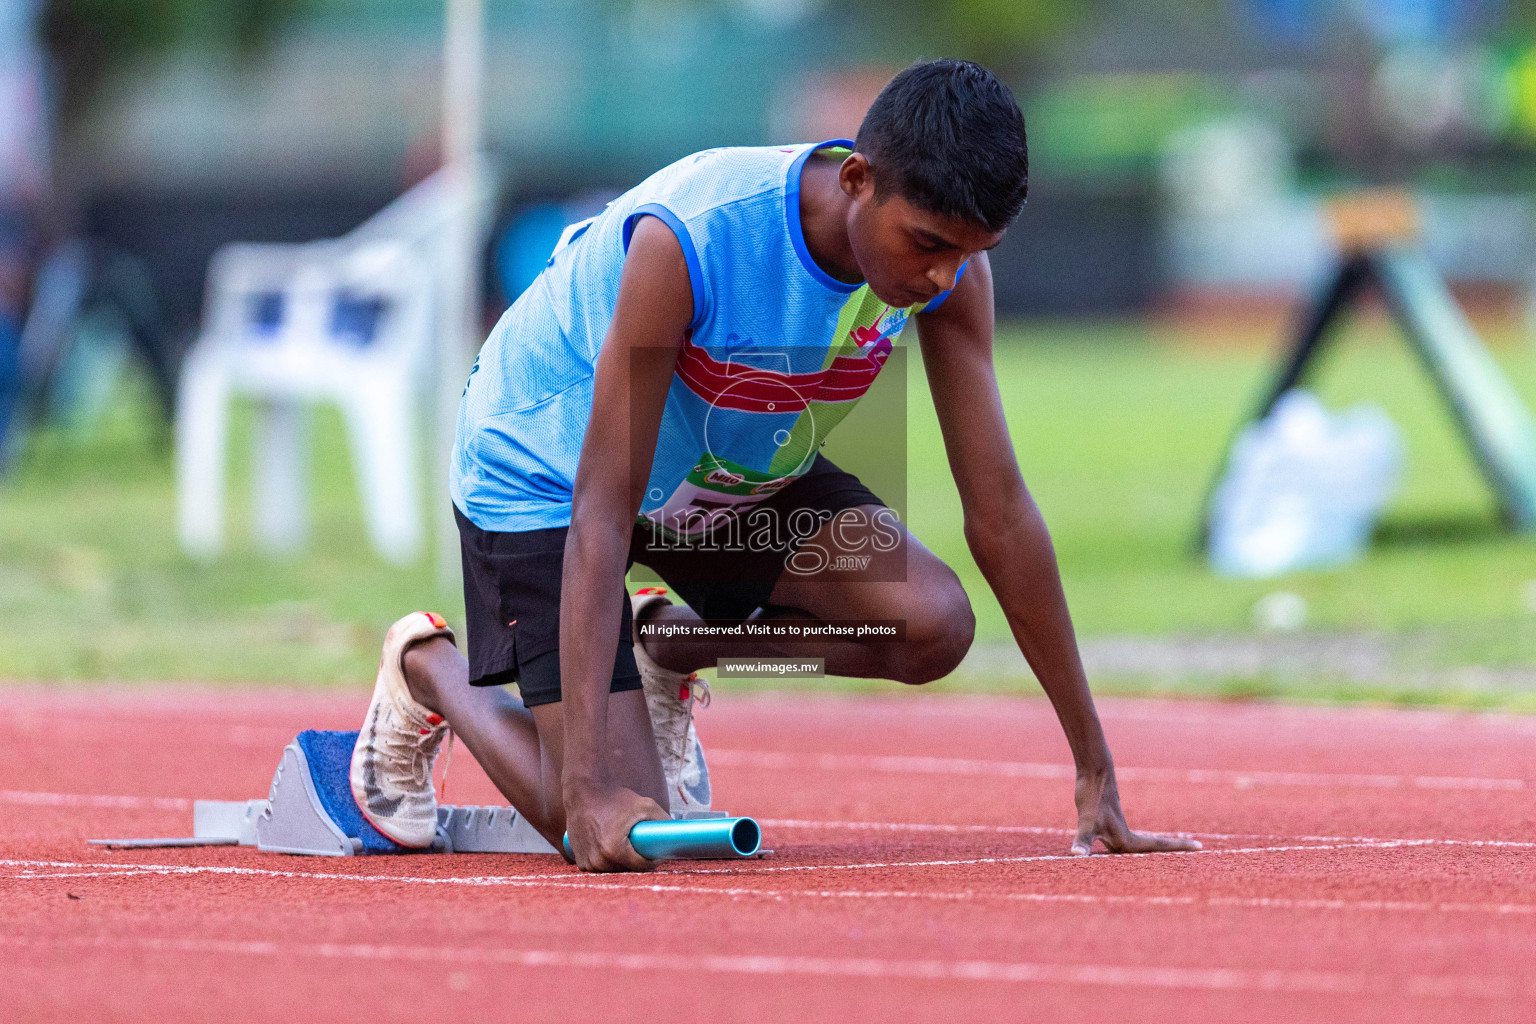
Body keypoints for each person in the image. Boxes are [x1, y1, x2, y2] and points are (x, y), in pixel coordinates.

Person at [350, 58, 1199, 872]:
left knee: (931, 625)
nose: (941, 274)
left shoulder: (948, 275)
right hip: (545, 471)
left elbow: (1002, 513)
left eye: (971, 250)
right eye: (927, 242)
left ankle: (673, 646)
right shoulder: (690, 239)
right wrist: (587, 793)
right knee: (620, 823)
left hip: (721, 467)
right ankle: (433, 667)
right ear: (858, 179)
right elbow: (601, 509)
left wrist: (1093, 763)